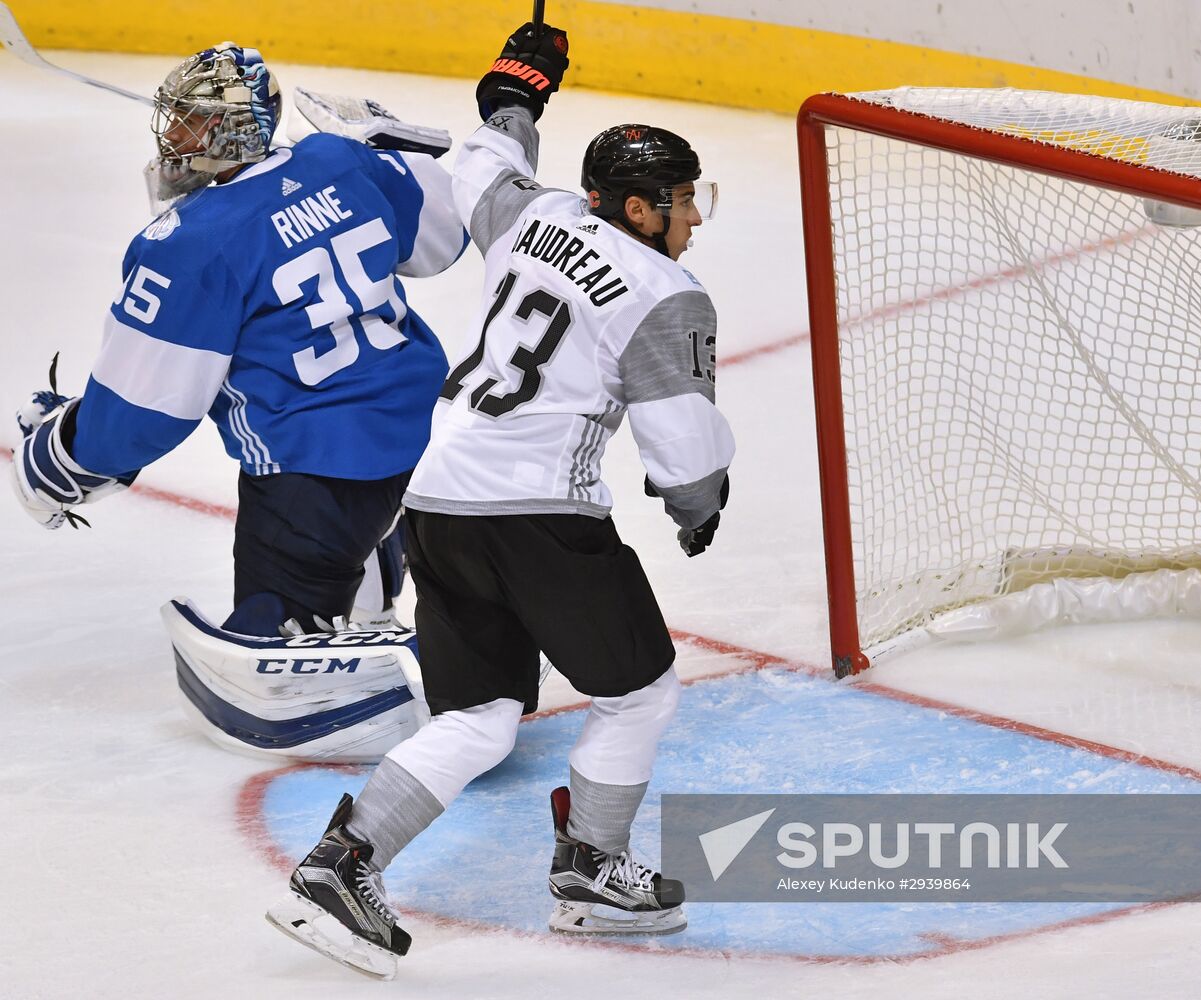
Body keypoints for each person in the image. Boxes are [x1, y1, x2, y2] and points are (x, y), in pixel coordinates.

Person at [265, 19, 734, 980]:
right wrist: (697, 506)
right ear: (639, 210)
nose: (693, 218)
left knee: (477, 716)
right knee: (638, 693)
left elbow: (486, 154)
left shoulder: (538, 216)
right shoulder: (664, 289)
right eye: (684, 202)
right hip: (538, 519)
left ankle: (342, 864)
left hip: (437, 500)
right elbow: (684, 455)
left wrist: (522, 83)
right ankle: (592, 872)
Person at [11, 42, 469, 759]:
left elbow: (145, 412)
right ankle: (369, 587)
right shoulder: (335, 160)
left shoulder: (189, 242)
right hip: (418, 433)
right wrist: (384, 148)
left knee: (267, 625)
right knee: (365, 524)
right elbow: (440, 240)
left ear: (230, 132)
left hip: (311, 471)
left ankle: (338, 637)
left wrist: (65, 453)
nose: (172, 136)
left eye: (191, 122)